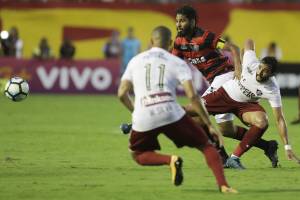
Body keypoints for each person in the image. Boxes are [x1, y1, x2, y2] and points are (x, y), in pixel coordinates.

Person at [118, 26, 237, 193]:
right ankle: (224, 185)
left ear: (151, 41)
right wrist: (208, 123)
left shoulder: (135, 61)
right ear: (170, 43)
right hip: (171, 112)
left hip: (144, 115)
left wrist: (135, 111)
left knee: (137, 154)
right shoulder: (176, 62)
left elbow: (122, 93)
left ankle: (170, 160)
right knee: (206, 146)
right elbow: (193, 97)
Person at [171, 5, 279, 167]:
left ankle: (223, 158)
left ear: (193, 22)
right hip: (215, 81)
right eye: (177, 21)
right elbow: (173, 63)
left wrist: (237, 68)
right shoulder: (179, 42)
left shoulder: (206, 37)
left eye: (183, 21)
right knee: (226, 130)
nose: (179, 24)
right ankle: (267, 146)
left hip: (224, 76)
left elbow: (233, 48)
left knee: (197, 114)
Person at [198, 39, 300, 169]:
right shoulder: (251, 62)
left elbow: (279, 119)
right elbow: (248, 41)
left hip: (245, 105)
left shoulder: (271, 88)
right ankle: (268, 146)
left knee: (262, 121)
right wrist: (239, 65)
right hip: (226, 95)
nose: (260, 72)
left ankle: (233, 158)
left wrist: (287, 147)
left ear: (272, 75)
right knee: (223, 129)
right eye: (260, 68)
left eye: (265, 71)